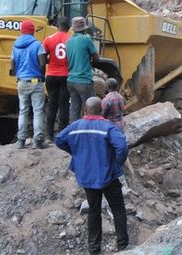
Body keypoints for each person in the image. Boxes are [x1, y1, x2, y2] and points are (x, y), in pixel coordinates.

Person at [55, 97, 129, 254]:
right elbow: (122, 146)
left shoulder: (75, 126)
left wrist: (77, 154)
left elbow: (59, 140)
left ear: (84, 110)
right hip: (108, 176)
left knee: (94, 211)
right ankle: (122, 246)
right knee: (118, 209)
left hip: (87, 177)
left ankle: (94, 249)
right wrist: (117, 164)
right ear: (101, 111)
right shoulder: (107, 127)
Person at [11, 19, 47, 149]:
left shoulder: (15, 45)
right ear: (32, 31)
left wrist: (18, 74)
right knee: (37, 111)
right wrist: (42, 76)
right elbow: (42, 63)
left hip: (21, 82)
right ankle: (38, 140)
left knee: (23, 111)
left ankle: (21, 140)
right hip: (35, 81)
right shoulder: (38, 45)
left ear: (22, 31)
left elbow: (13, 65)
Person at [43, 16, 71, 142]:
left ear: (57, 26)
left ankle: (49, 135)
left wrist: (50, 60)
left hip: (51, 75)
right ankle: (62, 134)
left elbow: (43, 58)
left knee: (52, 105)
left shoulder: (48, 39)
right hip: (65, 75)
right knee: (64, 105)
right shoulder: (71, 40)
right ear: (69, 27)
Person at [67, 17, 100, 122]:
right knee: (91, 108)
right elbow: (96, 58)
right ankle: (90, 131)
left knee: (74, 109)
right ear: (84, 29)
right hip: (84, 80)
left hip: (71, 80)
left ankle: (74, 131)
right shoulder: (86, 39)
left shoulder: (68, 41)